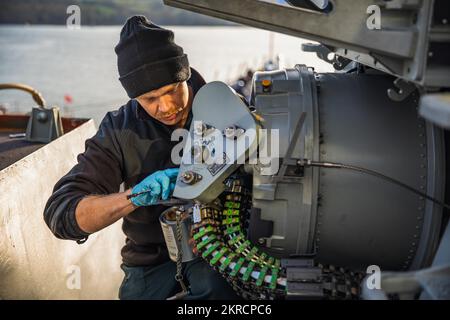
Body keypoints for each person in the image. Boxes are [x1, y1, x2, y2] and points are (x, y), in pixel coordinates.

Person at [44, 15, 239, 300]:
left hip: (219, 249)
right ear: (133, 97)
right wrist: (135, 196)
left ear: (184, 75)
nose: (166, 107)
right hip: (150, 260)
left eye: (172, 90)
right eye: (150, 99)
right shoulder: (118, 130)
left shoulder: (227, 109)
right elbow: (61, 213)